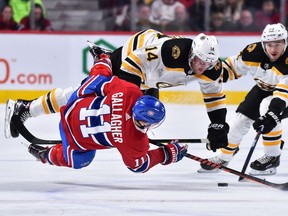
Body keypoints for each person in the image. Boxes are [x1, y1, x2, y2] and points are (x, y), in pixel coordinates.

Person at [5, 29, 230, 153]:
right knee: (82, 95)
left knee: (146, 116)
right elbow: (133, 63)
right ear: (192, 54)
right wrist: (124, 102)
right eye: (200, 61)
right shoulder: (169, 51)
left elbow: (214, 96)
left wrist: (218, 124)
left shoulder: (210, 67)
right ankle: (26, 107)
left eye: (207, 64)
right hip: (127, 61)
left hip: (149, 79)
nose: (202, 67)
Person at [27, 53, 188, 172]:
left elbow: (102, 83)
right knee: (81, 160)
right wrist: (166, 154)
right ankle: (46, 155)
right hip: (73, 139)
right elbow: (139, 165)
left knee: (98, 81)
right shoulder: (135, 142)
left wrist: (103, 66)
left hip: (72, 107)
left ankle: (102, 59)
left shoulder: (129, 91)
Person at [199, 23, 288, 175]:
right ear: (263, 43)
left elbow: (283, 92)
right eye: (269, 44)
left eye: (278, 45)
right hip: (263, 88)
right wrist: (213, 73)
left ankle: (273, 156)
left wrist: (273, 115)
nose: (273, 50)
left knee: (267, 108)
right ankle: (225, 156)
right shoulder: (253, 52)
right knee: (239, 121)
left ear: (285, 43)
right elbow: (231, 68)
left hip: (284, 94)